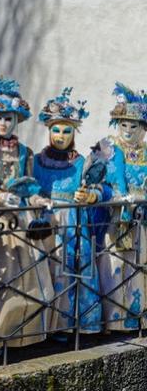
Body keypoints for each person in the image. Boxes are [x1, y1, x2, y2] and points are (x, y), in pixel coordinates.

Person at [0, 77, 54, 351]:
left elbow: (28, 186)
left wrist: (38, 198)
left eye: (8, 117)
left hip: (20, 222)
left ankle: (19, 335)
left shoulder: (26, 152)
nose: (3, 123)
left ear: (17, 119)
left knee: (25, 280)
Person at [33, 87, 111, 334]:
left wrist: (89, 196)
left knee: (73, 271)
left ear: (74, 133)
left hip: (74, 225)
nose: (60, 136)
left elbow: (101, 189)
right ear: (49, 131)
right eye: (56, 130)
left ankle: (73, 327)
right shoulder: (35, 161)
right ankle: (42, 328)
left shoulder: (82, 163)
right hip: (44, 223)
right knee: (44, 272)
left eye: (67, 131)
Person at [96, 82, 147, 331]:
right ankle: (114, 321)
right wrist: (115, 198)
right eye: (123, 125)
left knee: (138, 267)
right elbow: (96, 181)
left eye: (133, 125)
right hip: (115, 219)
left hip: (141, 221)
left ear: (143, 128)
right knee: (114, 266)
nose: (127, 130)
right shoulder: (108, 149)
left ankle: (136, 318)